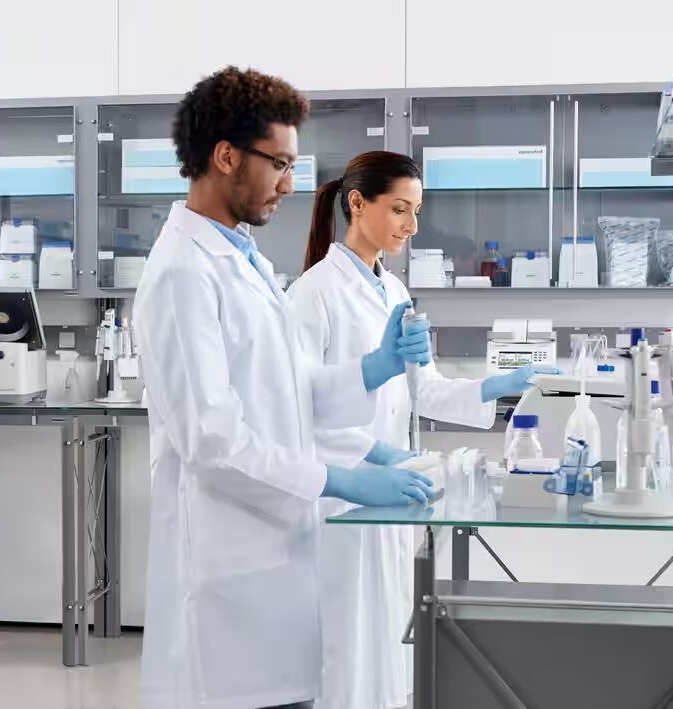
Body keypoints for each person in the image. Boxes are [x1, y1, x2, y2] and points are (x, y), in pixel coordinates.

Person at [133, 67, 438, 709]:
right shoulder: (184, 275)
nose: (290, 184)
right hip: (225, 577)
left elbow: (286, 387)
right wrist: (340, 479)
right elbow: (213, 443)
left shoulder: (244, 259)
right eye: (279, 164)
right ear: (225, 157)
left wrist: (371, 371)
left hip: (273, 560)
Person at [287, 151, 554, 709]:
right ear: (357, 204)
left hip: (389, 496)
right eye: (400, 210)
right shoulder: (312, 295)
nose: (411, 226)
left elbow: (425, 390)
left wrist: (505, 383)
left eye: (417, 211)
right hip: (339, 497)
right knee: (343, 649)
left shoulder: (396, 291)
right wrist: (376, 453)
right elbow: (295, 409)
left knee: (383, 644)